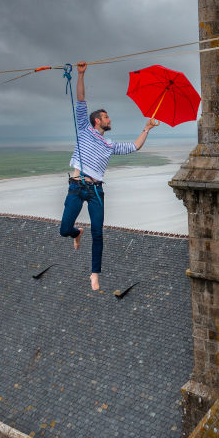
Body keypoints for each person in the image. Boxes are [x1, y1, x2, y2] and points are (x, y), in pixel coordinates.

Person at [58, 61, 158, 290]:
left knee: (98, 232)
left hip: (95, 191)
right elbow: (81, 100)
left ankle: (94, 273)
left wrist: (147, 128)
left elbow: (134, 147)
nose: (109, 119)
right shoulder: (85, 128)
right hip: (76, 186)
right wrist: (81, 74)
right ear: (97, 121)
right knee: (64, 229)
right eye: (106, 117)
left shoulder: (109, 144)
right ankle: (76, 232)